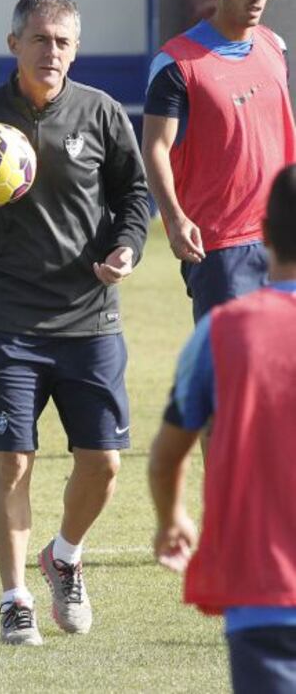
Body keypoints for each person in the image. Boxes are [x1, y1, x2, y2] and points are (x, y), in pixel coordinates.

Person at [0, 0, 150, 647]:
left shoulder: (100, 113)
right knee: (13, 460)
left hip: (91, 320)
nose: (52, 52)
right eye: (40, 39)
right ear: (14, 44)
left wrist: (128, 244)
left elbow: (135, 194)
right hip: (8, 320)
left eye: (64, 41)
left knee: (104, 463)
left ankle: (64, 555)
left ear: (77, 48)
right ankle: (15, 597)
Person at [148, 164, 296, 693]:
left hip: (263, 596)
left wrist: (172, 519)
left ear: (266, 233)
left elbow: (168, 455)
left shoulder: (224, 331)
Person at [142, 0, 296, 323]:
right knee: (232, 373)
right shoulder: (177, 63)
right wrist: (174, 219)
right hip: (222, 246)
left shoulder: (275, 46)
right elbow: (156, 147)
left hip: (284, 235)